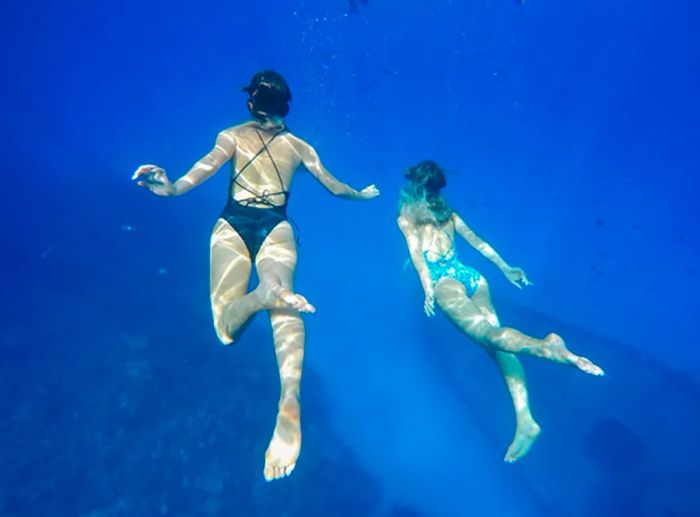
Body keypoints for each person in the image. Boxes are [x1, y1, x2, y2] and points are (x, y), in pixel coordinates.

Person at [132, 70, 379, 481]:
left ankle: (263, 295)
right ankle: (290, 394)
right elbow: (336, 189)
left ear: (250, 104)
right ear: (286, 108)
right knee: (285, 297)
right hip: (277, 227)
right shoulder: (301, 147)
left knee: (226, 327)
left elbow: (197, 175)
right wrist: (363, 194)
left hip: (233, 225)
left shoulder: (230, 135)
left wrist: (167, 187)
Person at [396, 160, 603, 462]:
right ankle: (525, 419)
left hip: (444, 281)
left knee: (490, 337)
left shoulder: (407, 216)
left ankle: (547, 347)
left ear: (412, 187)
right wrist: (506, 268)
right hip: (473, 277)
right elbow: (479, 243)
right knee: (498, 347)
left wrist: (428, 289)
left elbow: (417, 255)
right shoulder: (447, 213)